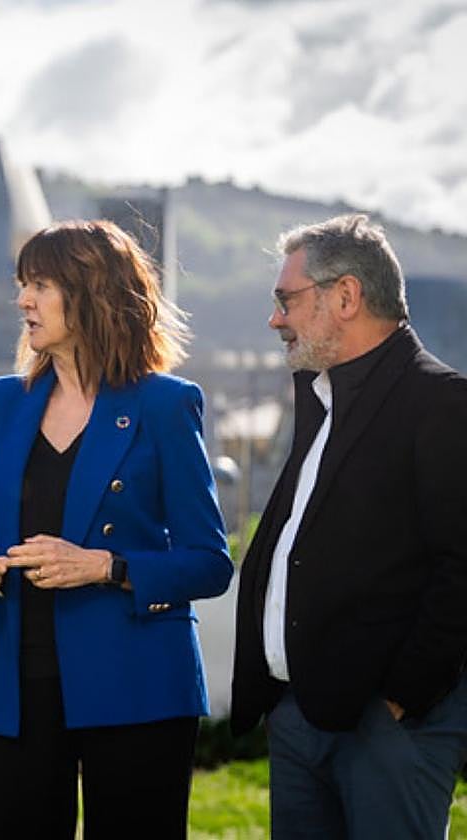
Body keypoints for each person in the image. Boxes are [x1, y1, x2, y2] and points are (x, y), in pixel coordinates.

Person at [0, 220, 233, 839]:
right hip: (16, 688)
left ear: (94, 293)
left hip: (136, 683)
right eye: (23, 284)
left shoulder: (165, 404)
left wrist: (107, 566)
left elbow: (210, 561)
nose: (23, 300)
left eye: (42, 284)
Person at [230, 214, 467, 838]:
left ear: (346, 296)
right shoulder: (319, 398)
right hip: (299, 715)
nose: (275, 318)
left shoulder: (442, 403)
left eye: (286, 300)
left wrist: (401, 698)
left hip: (389, 728)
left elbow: (462, 568)